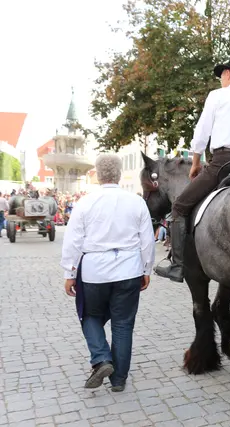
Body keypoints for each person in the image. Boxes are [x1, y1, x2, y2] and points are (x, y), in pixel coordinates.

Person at [156, 59, 230, 283]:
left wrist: (196, 162)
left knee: (179, 207)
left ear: (228, 74)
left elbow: (201, 132)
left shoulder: (217, 96)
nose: (220, 80)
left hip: (224, 162)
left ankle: (177, 266)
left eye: (221, 75)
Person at [61, 154, 155, 392]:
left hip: (95, 271)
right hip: (129, 269)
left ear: (98, 175)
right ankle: (119, 380)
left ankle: (102, 358)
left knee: (89, 315)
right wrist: (146, 268)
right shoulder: (136, 202)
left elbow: (73, 240)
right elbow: (147, 240)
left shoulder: (85, 202)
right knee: (123, 324)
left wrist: (70, 272)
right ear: (119, 174)